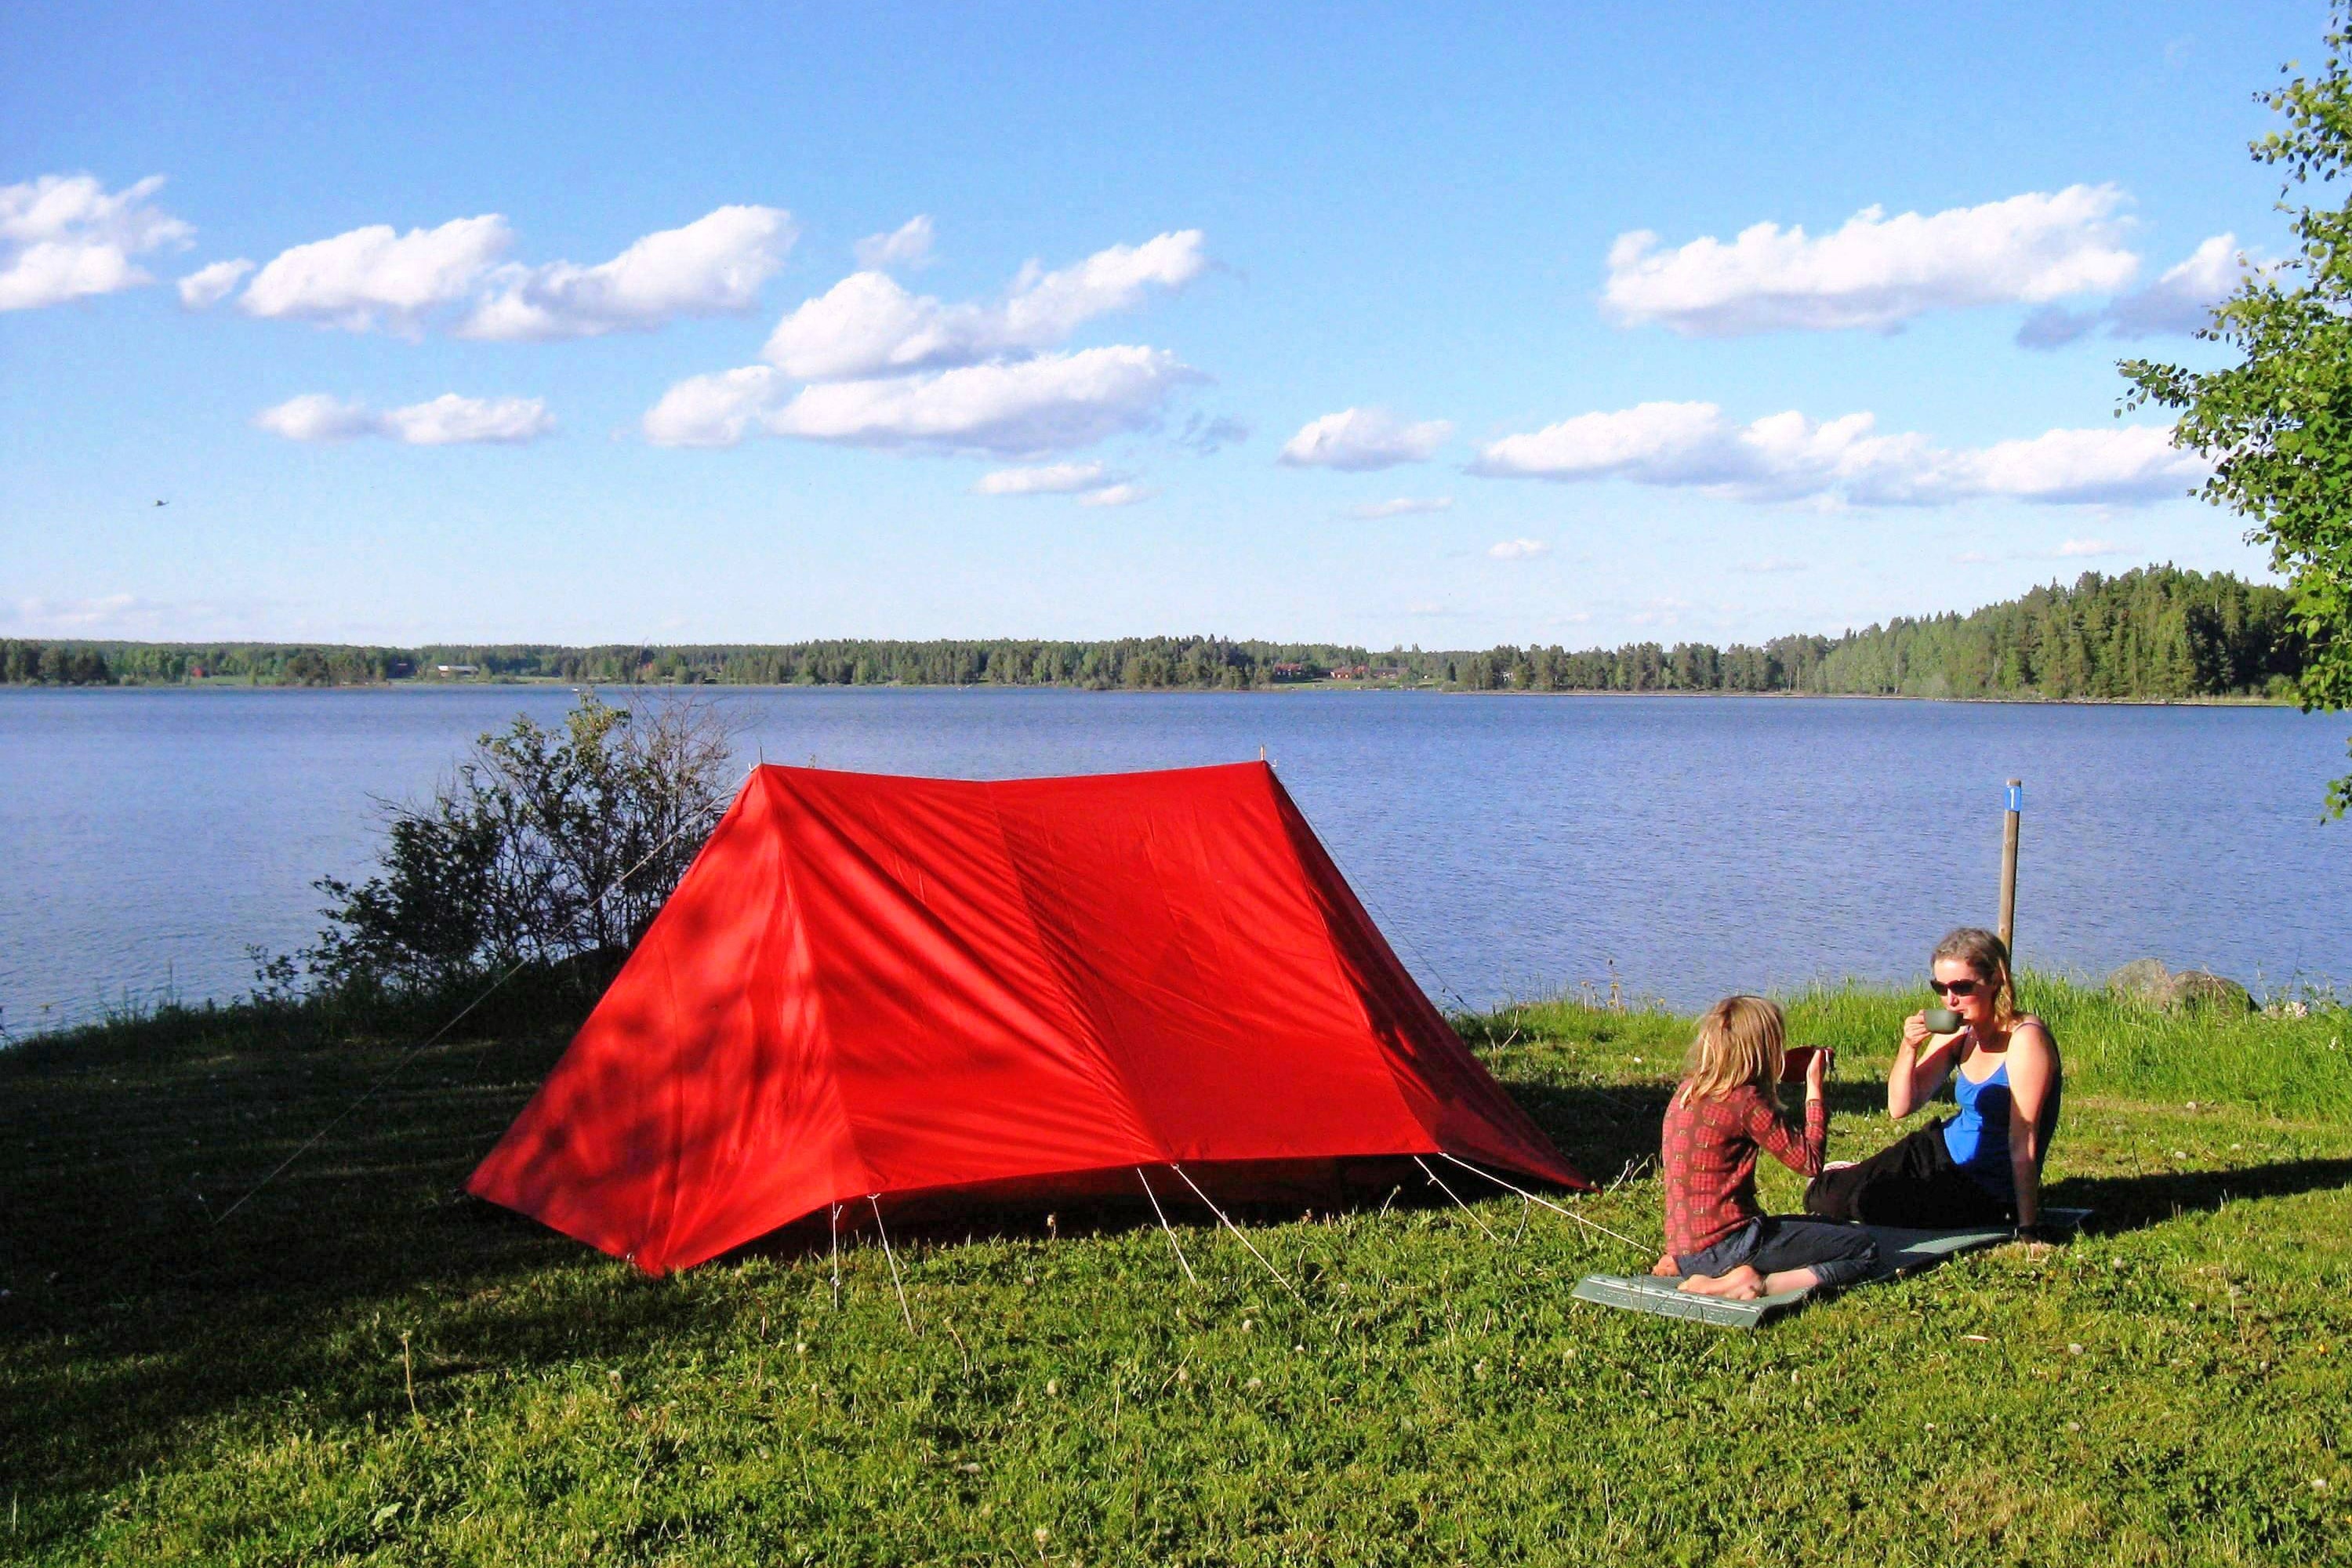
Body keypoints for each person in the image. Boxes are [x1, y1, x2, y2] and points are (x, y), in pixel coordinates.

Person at [1803, 927, 2063, 1239]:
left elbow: (2024, 1142)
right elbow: (1901, 1106)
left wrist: (2027, 1227)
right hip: (1935, 1151)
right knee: (1822, 1197)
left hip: (1984, 1185)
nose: (1950, 1001)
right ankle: (1848, 1174)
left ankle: (1854, 1177)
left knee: (1868, 1203)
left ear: (1996, 980)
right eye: (1940, 988)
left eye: (1962, 987)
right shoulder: (1959, 1030)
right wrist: (1908, 1047)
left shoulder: (2026, 1040)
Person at [1651, 995, 1879, 1301]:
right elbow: (1810, 1163)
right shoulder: (1745, 1102)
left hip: (1686, 1247)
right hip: (1731, 1246)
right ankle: (1755, 1284)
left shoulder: (1688, 1090)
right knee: (1862, 1247)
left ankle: (1693, 1265)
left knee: (1825, 1227)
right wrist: (1814, 1087)